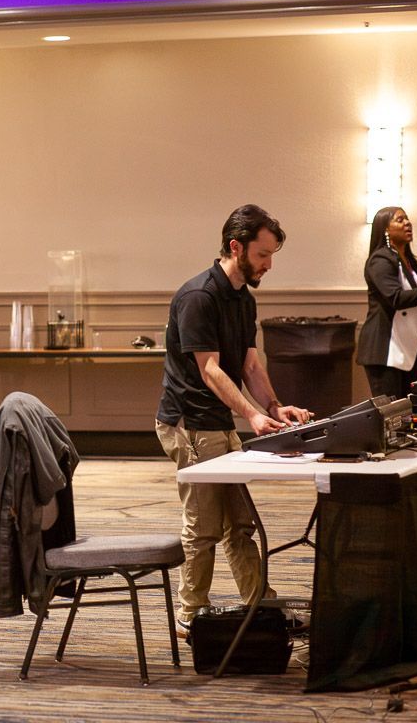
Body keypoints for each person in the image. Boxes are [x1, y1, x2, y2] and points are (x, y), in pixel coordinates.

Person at [155, 204, 312, 634]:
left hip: (216, 420)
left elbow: (250, 366)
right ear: (235, 246)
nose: (269, 265)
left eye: (271, 255)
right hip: (188, 422)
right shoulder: (198, 297)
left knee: (240, 524)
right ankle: (190, 615)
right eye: (263, 255)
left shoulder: (243, 298)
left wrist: (274, 408)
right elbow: (209, 369)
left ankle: (261, 605)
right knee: (204, 526)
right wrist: (252, 415)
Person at [356, 207, 417, 400]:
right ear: (385, 229)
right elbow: (397, 299)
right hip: (385, 350)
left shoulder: (407, 261)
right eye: (400, 220)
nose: (407, 223)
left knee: (409, 409)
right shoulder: (380, 260)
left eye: (407, 219)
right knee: (392, 412)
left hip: (408, 348)